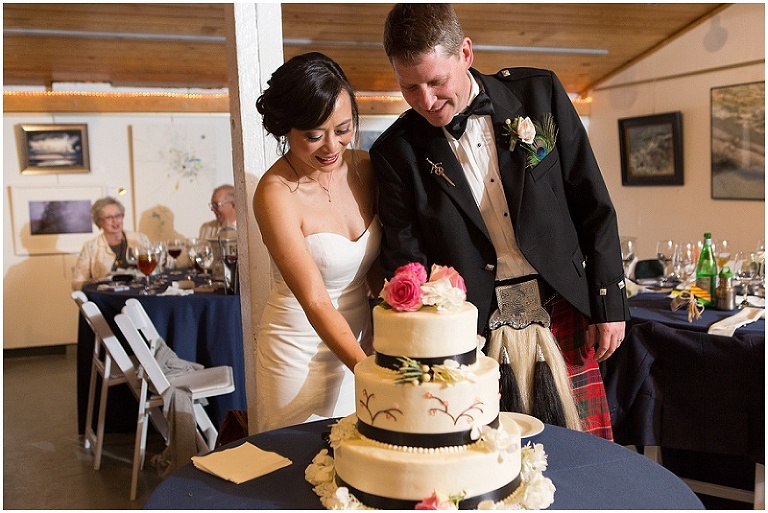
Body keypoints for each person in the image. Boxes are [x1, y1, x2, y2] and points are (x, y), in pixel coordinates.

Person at [370, 4, 629, 440]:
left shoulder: (538, 94)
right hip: (473, 326)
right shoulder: (396, 153)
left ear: (466, 53)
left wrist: (609, 302)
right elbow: (405, 258)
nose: (426, 101)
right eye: (409, 87)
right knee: (492, 463)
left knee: (582, 458)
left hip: (561, 302)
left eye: (436, 82)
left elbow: (593, 202)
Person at [252, 52, 382, 433]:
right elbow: (315, 300)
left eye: (343, 129)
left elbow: (373, 264)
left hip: (360, 340)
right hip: (297, 352)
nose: (331, 147)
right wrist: (368, 371)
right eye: (314, 135)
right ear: (285, 129)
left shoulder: (366, 167)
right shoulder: (275, 193)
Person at [71, 196, 150, 290]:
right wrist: (87, 283)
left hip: (140, 291)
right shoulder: (90, 247)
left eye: (118, 215)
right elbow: (76, 283)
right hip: (108, 297)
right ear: (99, 221)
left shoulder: (140, 239)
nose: (115, 221)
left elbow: (160, 264)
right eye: (108, 217)